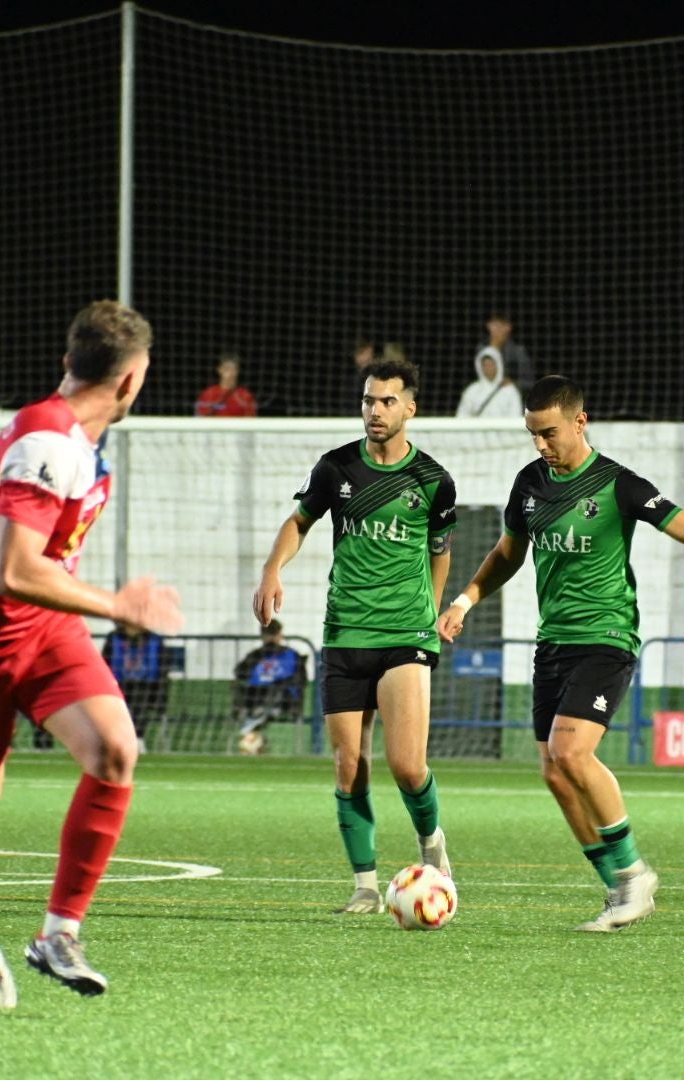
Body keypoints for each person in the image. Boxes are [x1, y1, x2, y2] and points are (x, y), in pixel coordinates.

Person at [0, 300, 181, 1009]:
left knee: (116, 751)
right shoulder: (50, 446)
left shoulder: (72, 439)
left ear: (69, 363)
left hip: (40, 630)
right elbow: (13, 571)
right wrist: (119, 606)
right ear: (130, 384)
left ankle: (58, 933)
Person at [437, 375, 684, 932]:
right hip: (552, 642)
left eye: (550, 433)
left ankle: (635, 876)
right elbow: (508, 555)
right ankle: (616, 887)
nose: (541, 445)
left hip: (606, 639)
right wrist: (464, 600)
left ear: (580, 422)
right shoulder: (529, 483)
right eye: (533, 434)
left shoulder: (618, 484)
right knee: (555, 775)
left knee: (572, 753)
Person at [252, 356, 457, 914]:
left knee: (408, 766)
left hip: (405, 633)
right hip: (345, 633)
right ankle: (366, 885)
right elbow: (299, 522)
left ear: (410, 408)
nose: (375, 410)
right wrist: (273, 569)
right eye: (369, 400)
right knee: (349, 766)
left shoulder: (432, 481)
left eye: (388, 401)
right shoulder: (335, 469)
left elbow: (441, 552)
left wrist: (432, 612)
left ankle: (432, 845)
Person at [232, 619, 310, 750]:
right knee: (246, 689)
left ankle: (256, 719)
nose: (272, 638)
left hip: (285, 701)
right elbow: (240, 673)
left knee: (276, 689)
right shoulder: (255, 656)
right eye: (269, 634)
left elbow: (301, 681)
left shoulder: (291, 655)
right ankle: (255, 724)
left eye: (273, 634)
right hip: (257, 699)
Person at [100, 623, 169, 751]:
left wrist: (161, 691)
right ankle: (117, 741)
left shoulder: (154, 640)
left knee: (139, 709)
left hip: (146, 683)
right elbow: (105, 661)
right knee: (118, 713)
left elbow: (163, 665)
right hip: (118, 683)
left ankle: (138, 739)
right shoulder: (114, 638)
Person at [456, 345, 524, 419]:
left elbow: (515, 416)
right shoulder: (472, 390)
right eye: (485, 365)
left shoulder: (510, 390)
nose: (488, 368)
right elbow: (462, 415)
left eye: (491, 364)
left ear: (498, 365)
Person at [194, 351, 258, 418]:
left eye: (234, 369)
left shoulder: (246, 396)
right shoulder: (208, 394)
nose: (230, 373)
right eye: (227, 369)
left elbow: (251, 422)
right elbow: (200, 420)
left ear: (238, 371)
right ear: (219, 370)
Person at [484, 311, 535, 388]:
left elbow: (529, 382)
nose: (497, 328)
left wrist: (513, 383)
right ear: (488, 326)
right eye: (494, 324)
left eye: (501, 324)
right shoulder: (481, 349)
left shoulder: (518, 352)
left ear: (509, 327)